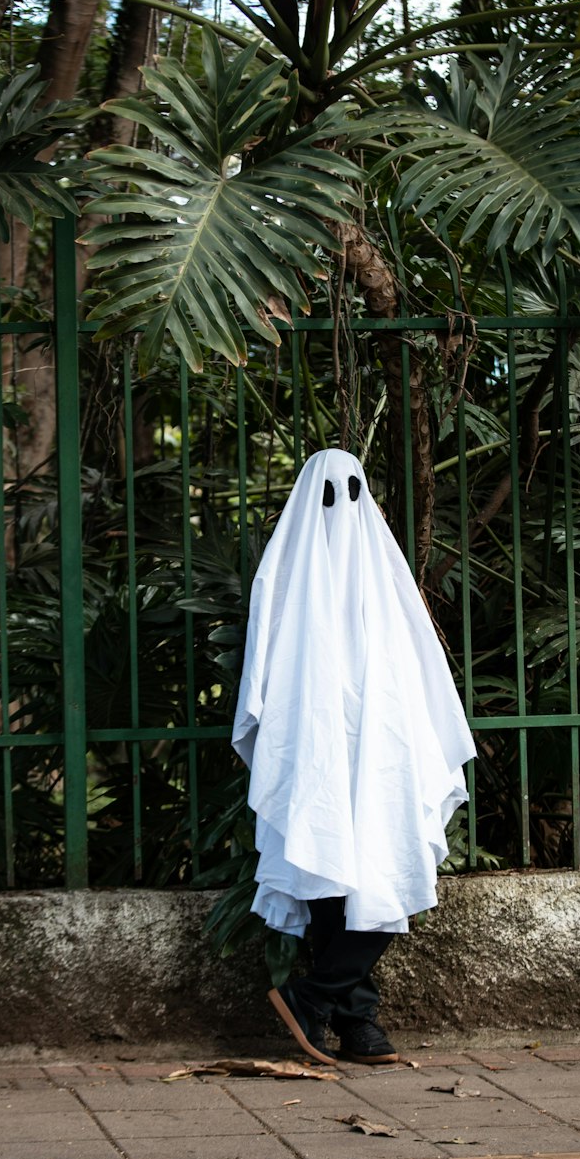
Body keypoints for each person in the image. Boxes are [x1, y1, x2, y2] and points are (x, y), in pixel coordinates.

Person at [232, 448, 475, 1065]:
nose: (341, 506)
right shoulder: (282, 572)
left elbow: (417, 662)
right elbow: (265, 665)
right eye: (328, 492)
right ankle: (355, 1019)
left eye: (352, 490)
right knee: (326, 866)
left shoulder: (383, 572)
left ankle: (315, 1000)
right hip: (312, 746)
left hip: (383, 751)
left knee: (383, 869)